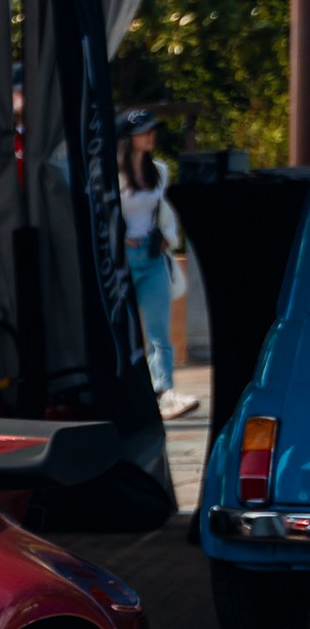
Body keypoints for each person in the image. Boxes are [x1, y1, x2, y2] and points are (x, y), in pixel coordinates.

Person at [121, 123, 198, 416]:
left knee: (159, 333)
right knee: (126, 333)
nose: (151, 136)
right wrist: (118, 240)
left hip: (152, 256)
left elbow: (168, 211)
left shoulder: (160, 171)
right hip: (124, 259)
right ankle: (132, 393)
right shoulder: (112, 174)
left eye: (153, 130)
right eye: (143, 131)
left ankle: (164, 390)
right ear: (129, 138)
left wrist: (167, 237)